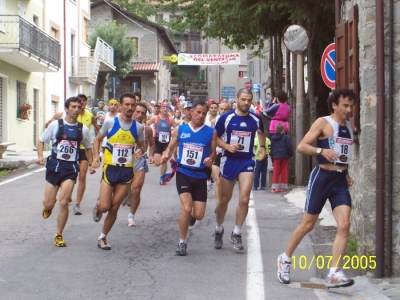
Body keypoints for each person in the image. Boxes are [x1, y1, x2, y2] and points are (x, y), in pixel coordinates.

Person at [277, 88, 356, 288]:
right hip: (321, 177)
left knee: (344, 225)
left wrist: (346, 174)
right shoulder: (323, 122)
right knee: (308, 225)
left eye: (351, 106)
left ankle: (334, 273)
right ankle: (285, 259)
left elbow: (343, 154)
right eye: (345, 105)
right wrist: (321, 150)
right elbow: (301, 146)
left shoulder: (349, 126)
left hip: (339, 181)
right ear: (334, 105)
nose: (349, 109)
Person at [160, 100, 217, 256]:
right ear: (191, 112)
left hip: (200, 175)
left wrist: (210, 159)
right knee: (186, 208)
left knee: (198, 215)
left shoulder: (211, 132)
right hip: (184, 173)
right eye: (198, 112)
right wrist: (166, 155)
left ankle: (191, 216)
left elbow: (213, 153)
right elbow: (171, 147)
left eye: (204, 113)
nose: (201, 116)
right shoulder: (181, 129)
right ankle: (182, 242)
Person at [213, 88, 266, 251]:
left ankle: (236, 233)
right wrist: (227, 146)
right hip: (229, 160)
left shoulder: (256, 119)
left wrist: (262, 147)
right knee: (223, 200)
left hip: (246, 161)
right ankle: (218, 229)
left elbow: (262, 133)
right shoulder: (226, 118)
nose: (246, 103)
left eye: (249, 100)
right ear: (236, 99)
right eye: (243, 99)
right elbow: (214, 138)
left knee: (244, 199)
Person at [91, 93, 145, 250]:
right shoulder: (110, 122)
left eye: (132, 105)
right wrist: (95, 157)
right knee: (105, 207)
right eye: (127, 104)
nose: (130, 107)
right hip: (110, 169)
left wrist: (141, 150)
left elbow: (142, 145)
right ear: (121, 106)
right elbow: (97, 140)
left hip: (126, 172)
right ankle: (99, 204)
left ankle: (103, 237)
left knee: (115, 207)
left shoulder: (139, 127)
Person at [37, 97, 92, 247]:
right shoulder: (56, 125)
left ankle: (59, 234)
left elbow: (88, 147)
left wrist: (92, 163)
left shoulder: (83, 129)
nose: (76, 110)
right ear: (67, 109)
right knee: (48, 203)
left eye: (78, 107)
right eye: (73, 107)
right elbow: (41, 140)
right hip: (54, 166)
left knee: (64, 202)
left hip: (70, 168)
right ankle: (49, 205)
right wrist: (41, 156)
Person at [45, 94, 99, 214]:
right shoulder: (62, 114)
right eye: (78, 103)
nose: (81, 105)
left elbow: (97, 131)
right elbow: (50, 122)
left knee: (82, 175)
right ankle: (61, 193)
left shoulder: (90, 116)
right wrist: (48, 125)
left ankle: (78, 203)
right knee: (49, 200)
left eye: (83, 102)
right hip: (66, 150)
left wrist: (94, 158)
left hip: (81, 147)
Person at [124, 102, 155, 226]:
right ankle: (126, 195)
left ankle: (131, 216)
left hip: (139, 160)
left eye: (142, 113)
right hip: (124, 160)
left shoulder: (147, 130)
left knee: (136, 190)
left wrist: (151, 155)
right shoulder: (123, 126)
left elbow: (152, 144)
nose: (139, 115)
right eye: (137, 112)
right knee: (124, 189)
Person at [147, 101, 176, 184]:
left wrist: (174, 133)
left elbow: (177, 128)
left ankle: (162, 178)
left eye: (167, 108)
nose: (165, 109)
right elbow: (147, 124)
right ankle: (169, 170)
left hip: (167, 143)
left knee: (164, 160)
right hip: (158, 141)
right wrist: (150, 132)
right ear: (160, 109)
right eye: (163, 108)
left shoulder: (170, 119)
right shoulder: (155, 118)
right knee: (157, 163)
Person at [211, 102, 230, 206]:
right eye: (221, 109)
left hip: (227, 154)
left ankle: (222, 201)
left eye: (225, 109)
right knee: (218, 181)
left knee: (224, 183)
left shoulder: (231, 120)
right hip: (217, 152)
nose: (223, 111)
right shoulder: (214, 121)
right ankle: (218, 205)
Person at [270, 123, 293, 192]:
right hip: (284, 156)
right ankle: (283, 187)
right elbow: (289, 146)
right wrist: (290, 154)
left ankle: (275, 187)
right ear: (283, 129)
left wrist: (272, 157)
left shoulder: (273, 138)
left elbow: (272, 148)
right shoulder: (286, 137)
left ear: (275, 129)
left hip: (276, 156)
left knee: (276, 171)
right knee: (284, 171)